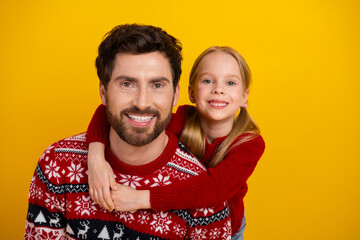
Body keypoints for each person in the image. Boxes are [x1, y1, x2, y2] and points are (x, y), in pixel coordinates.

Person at [25, 24, 231, 240]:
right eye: (127, 84)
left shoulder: (203, 198)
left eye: (157, 85)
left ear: (176, 93)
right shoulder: (57, 165)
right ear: (103, 92)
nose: (142, 103)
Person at [86, 46, 265, 239]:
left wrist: (140, 198)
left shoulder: (249, 143)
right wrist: (95, 158)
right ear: (191, 92)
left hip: (227, 228)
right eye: (207, 80)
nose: (218, 90)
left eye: (230, 82)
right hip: (177, 219)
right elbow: (112, 112)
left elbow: (215, 189)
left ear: (245, 96)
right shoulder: (181, 120)